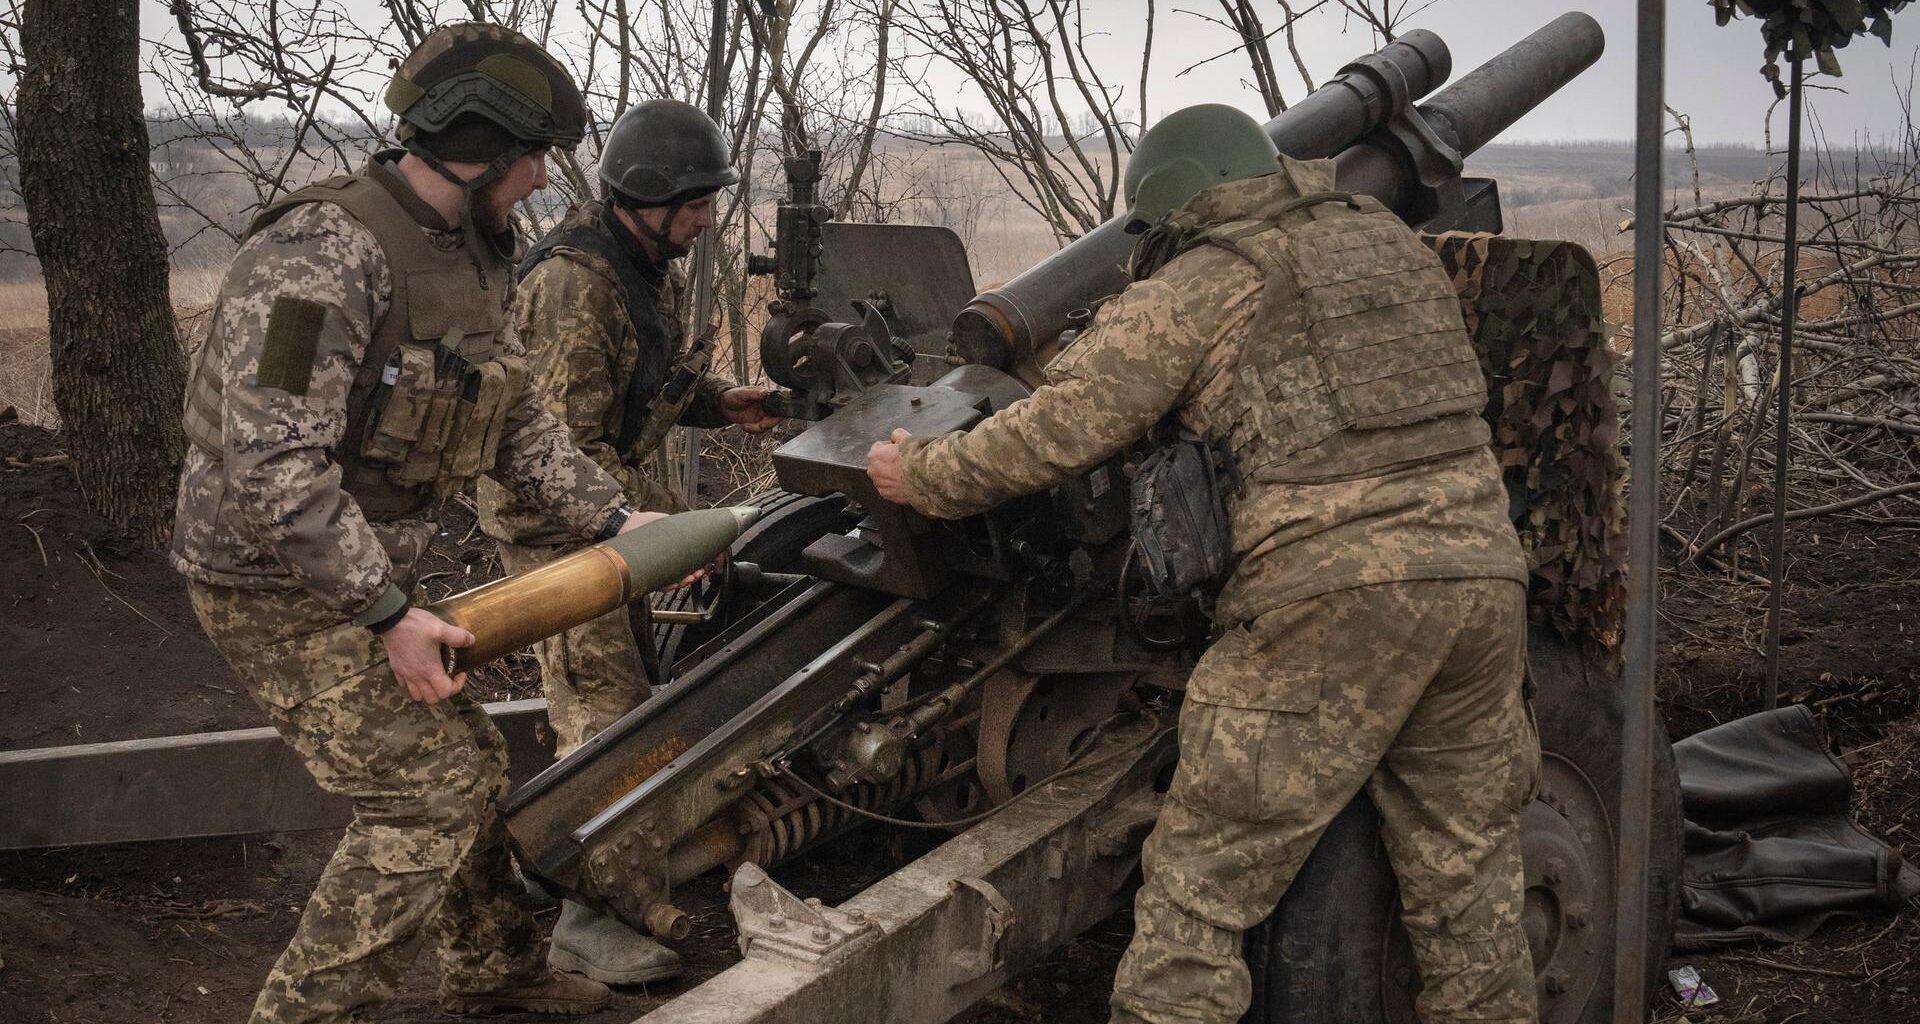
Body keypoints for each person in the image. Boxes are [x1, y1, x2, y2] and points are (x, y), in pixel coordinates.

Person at [865, 103, 1539, 1024]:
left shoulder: (1207, 282)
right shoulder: (1389, 243)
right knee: (1470, 885)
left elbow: (1064, 428)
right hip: (1481, 582)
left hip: (1325, 604)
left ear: (1178, 205)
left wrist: (923, 474)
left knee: (1198, 897)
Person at [171, 22, 670, 1022]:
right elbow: (275, 472)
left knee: (470, 756)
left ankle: (494, 970)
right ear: (474, 143)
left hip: (364, 572)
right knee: (427, 788)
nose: (540, 180)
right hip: (273, 582)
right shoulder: (318, 259)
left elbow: (519, 420)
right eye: (532, 158)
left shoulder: (480, 252)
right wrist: (391, 613)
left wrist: (617, 518)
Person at [475, 97, 774, 985]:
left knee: (632, 700)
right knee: (606, 723)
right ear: (644, 196)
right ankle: (589, 919)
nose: (706, 217)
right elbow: (560, 449)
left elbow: (636, 389)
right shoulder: (576, 282)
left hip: (607, 523)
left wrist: (722, 401)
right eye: (694, 201)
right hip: (557, 533)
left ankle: (551, 873)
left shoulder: (648, 264)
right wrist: (678, 532)